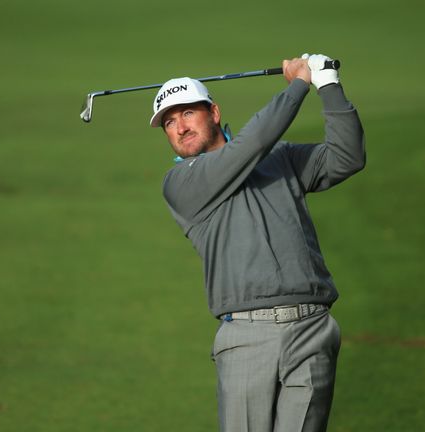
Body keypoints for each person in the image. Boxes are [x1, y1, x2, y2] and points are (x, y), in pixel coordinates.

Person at [151, 54, 366, 432]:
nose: (179, 127)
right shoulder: (181, 184)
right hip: (247, 337)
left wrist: (328, 83)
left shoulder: (279, 159)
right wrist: (299, 84)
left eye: (187, 114)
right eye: (169, 122)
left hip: (312, 330)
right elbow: (249, 146)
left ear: (214, 112)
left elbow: (347, 157)